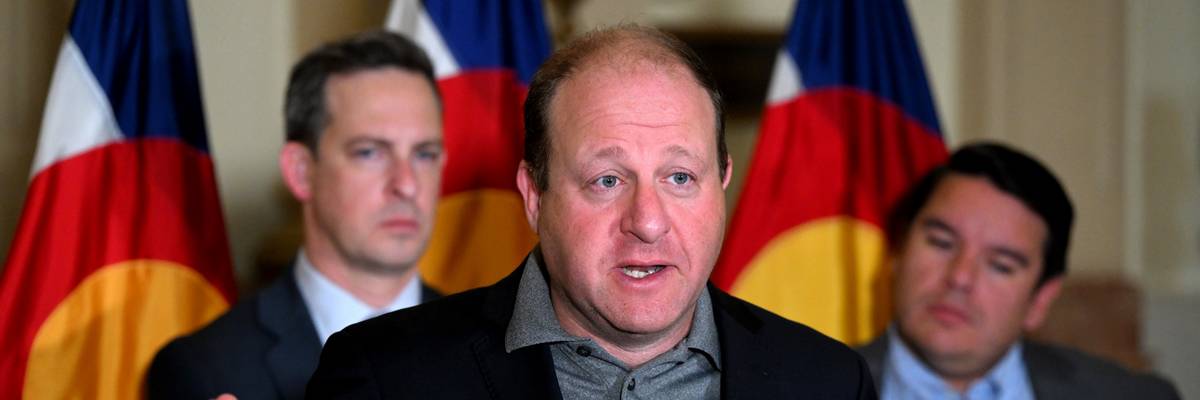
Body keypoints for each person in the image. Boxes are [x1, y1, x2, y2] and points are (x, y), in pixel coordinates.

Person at [305, 25, 875, 399]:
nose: (648, 222)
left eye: (680, 177)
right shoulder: (386, 377)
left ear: (721, 182)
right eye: (607, 180)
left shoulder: (828, 381)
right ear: (535, 196)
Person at [147, 30, 445, 400]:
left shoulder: (499, 347)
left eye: (425, 154)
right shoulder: (204, 370)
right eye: (370, 152)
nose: (407, 184)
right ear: (301, 172)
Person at [858, 143, 1180, 399]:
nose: (960, 278)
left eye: (1000, 265)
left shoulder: (1135, 395)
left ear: (1040, 300)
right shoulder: (817, 388)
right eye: (942, 243)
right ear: (897, 252)